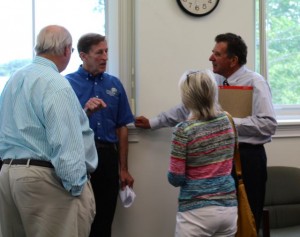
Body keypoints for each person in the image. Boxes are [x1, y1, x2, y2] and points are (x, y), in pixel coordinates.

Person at [135, 33, 278, 232]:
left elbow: (268, 125)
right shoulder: (212, 81)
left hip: (248, 158)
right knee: (223, 221)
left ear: (233, 60)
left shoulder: (256, 82)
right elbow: (186, 107)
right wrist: (153, 122)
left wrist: (226, 121)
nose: (211, 58)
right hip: (219, 159)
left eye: (217, 54)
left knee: (248, 217)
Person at [0, 25, 104, 237]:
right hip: (45, 180)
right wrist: (77, 187)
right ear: (67, 50)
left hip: (9, 175)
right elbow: (65, 140)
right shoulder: (56, 84)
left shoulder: (14, 79)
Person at [65, 33, 135, 237]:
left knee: (104, 220)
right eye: (99, 53)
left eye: (106, 52)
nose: (105, 57)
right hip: (77, 158)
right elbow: (61, 125)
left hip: (107, 157)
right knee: (77, 218)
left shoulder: (114, 85)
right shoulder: (66, 84)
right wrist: (84, 110)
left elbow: (122, 127)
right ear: (83, 56)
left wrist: (124, 169)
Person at [168, 70, 237, 237]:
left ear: (187, 98)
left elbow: (176, 178)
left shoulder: (183, 130)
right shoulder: (227, 121)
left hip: (196, 212)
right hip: (228, 208)